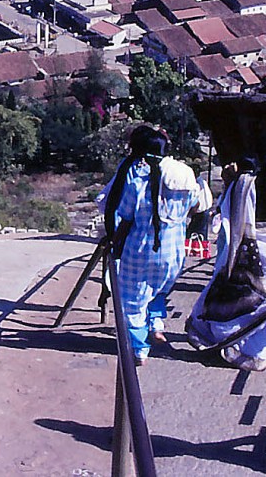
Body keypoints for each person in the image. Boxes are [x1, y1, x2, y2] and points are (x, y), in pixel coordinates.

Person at [187, 137, 266, 371]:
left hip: (245, 246)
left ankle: (221, 337)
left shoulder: (245, 183)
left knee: (238, 295)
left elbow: (223, 208)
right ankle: (256, 353)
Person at [101, 125, 202, 364]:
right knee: (158, 290)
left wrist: (114, 244)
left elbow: (125, 219)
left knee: (132, 301)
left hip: (140, 251)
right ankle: (157, 328)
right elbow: (198, 206)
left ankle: (139, 350)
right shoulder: (183, 175)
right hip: (173, 252)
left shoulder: (138, 180)